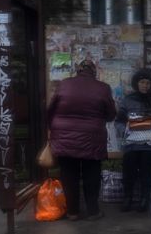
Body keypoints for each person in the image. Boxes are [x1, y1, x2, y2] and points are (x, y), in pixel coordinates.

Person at [47, 60, 116, 221]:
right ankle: (93, 211)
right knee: (91, 174)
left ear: (78, 71)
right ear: (94, 72)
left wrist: (54, 130)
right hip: (92, 138)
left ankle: (72, 212)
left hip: (64, 138)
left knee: (69, 174)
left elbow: (51, 110)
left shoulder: (64, 84)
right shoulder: (103, 87)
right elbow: (111, 114)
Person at [115, 68, 151, 212]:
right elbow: (119, 122)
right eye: (142, 82)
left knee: (146, 162)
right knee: (129, 161)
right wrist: (125, 130)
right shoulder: (128, 100)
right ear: (136, 84)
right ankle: (128, 197)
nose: (145, 85)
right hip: (132, 143)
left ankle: (145, 198)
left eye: (147, 83)